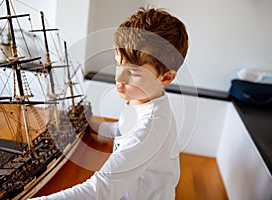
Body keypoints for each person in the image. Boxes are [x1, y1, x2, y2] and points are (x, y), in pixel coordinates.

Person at [31, 7, 188, 200]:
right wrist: (95, 126)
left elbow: (100, 190)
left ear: (166, 78)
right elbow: (124, 128)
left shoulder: (149, 129)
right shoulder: (144, 99)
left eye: (134, 73)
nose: (119, 78)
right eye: (118, 64)